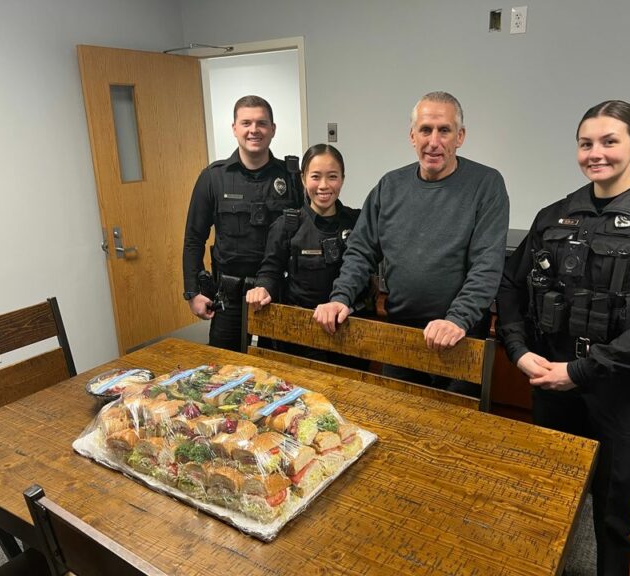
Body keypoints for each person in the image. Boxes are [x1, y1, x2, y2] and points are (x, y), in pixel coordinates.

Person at [496, 100, 630, 575]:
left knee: (617, 520)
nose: (597, 153)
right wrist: (520, 350)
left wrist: (582, 371)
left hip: (623, 393)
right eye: (586, 143)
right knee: (548, 503)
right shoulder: (554, 216)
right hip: (552, 382)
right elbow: (510, 286)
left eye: (610, 141)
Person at [313, 91, 509, 389]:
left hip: (459, 337)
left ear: (460, 136)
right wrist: (341, 297)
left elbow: (487, 264)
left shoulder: (486, 185)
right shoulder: (389, 186)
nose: (434, 141)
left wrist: (457, 319)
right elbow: (361, 251)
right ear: (412, 136)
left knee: (456, 431)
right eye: (425, 130)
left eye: (444, 130)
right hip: (401, 335)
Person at [182, 95, 304, 351]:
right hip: (230, 297)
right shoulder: (213, 178)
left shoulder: (291, 179)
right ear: (234, 128)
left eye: (261, 123)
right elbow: (194, 239)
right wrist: (193, 293)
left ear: (272, 129)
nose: (254, 130)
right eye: (246, 122)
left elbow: (304, 234)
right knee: (224, 371)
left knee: (280, 373)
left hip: (276, 294)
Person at [245, 143, 366, 367]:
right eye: (315, 176)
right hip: (301, 334)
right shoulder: (286, 225)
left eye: (332, 176)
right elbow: (270, 270)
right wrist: (263, 287)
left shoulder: (357, 222)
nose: (323, 186)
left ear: (342, 178)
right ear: (303, 179)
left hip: (349, 332)